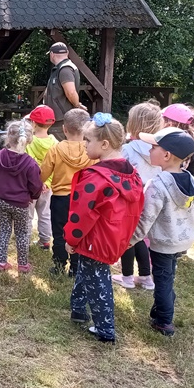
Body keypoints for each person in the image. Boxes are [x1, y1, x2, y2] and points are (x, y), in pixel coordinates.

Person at [66, 114, 144, 344]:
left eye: (88, 140)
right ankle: (78, 308)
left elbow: (81, 214)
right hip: (114, 236)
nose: (84, 144)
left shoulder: (96, 178)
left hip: (95, 239)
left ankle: (105, 329)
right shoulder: (131, 174)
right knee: (87, 271)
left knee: (98, 281)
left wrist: (71, 239)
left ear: (104, 144)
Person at [130, 127, 194, 337]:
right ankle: (160, 308)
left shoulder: (157, 185)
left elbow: (146, 217)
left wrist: (132, 239)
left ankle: (164, 321)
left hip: (163, 243)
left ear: (166, 155)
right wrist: (191, 229)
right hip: (182, 240)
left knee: (162, 280)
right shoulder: (192, 180)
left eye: (153, 147)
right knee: (168, 275)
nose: (149, 150)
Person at [115, 101, 163, 290]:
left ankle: (127, 277)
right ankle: (145, 276)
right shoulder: (160, 149)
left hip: (129, 200)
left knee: (126, 237)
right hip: (151, 198)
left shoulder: (128, 149)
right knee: (140, 237)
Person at [40, 108, 93, 276]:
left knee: (59, 233)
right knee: (79, 233)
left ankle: (58, 265)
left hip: (60, 198)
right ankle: (76, 268)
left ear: (64, 129)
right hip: (83, 199)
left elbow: (43, 174)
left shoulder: (55, 149)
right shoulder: (91, 151)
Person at [0, 120, 42, 272]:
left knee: (4, 231)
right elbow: (36, 185)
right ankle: (23, 265)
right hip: (21, 204)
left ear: (8, 137)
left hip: (1, 201)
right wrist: (33, 196)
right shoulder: (30, 163)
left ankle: (0, 262)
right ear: (28, 140)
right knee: (22, 233)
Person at [25, 105, 57, 250]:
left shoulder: (29, 141)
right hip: (47, 186)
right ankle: (45, 241)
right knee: (45, 213)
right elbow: (54, 165)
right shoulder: (55, 143)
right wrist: (47, 182)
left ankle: (24, 240)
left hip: (30, 186)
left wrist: (36, 182)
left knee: (28, 214)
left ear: (33, 123)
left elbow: (28, 163)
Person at [43, 42, 86, 139]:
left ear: (52, 54)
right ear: (67, 53)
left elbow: (71, 92)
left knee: (59, 146)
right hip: (58, 118)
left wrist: (77, 105)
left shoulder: (65, 69)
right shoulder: (61, 68)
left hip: (61, 119)